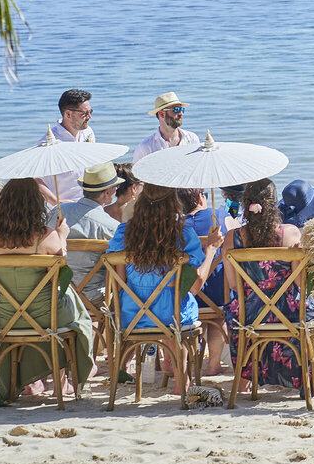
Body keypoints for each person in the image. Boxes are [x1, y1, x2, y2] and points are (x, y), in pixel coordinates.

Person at [0, 178, 94, 399]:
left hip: (7, 317)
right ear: (36, 204)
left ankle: (27, 380)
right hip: (47, 318)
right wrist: (63, 237)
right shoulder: (47, 236)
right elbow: (59, 278)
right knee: (72, 306)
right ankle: (63, 383)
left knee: (59, 303)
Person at [106, 183, 220, 396]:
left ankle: (170, 362)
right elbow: (197, 282)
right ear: (174, 204)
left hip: (132, 313)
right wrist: (211, 249)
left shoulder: (124, 232)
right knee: (175, 303)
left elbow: (120, 279)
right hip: (171, 314)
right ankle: (180, 380)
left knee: (163, 301)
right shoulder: (183, 233)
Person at [221, 178, 314, 399]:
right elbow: (299, 283)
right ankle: (308, 384)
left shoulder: (231, 238)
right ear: (274, 203)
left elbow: (232, 285)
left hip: (249, 316)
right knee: (311, 310)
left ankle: (244, 382)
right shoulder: (291, 233)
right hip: (289, 314)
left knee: (235, 308)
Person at [179, 188, 229, 375]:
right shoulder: (219, 216)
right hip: (217, 296)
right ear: (201, 198)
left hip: (186, 294)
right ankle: (213, 364)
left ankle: (192, 360)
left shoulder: (176, 225)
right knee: (218, 315)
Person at [61, 163, 122, 306]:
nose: (116, 190)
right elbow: (121, 276)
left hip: (59, 297)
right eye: (115, 187)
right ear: (107, 193)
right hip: (97, 300)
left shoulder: (57, 214)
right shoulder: (112, 227)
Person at [132, 92, 200, 163]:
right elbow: (135, 173)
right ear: (162, 114)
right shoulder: (146, 147)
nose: (181, 114)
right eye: (176, 110)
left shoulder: (192, 139)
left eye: (182, 109)